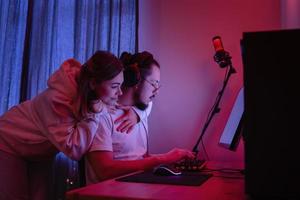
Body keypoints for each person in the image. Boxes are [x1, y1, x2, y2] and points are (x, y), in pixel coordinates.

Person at [0, 50, 138, 200]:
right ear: (93, 83)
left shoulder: (91, 95)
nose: (119, 92)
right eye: (114, 86)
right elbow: (74, 150)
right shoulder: (57, 100)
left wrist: (136, 113)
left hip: (37, 151)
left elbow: (144, 105)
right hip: (9, 141)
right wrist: (94, 113)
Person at [85, 51, 195, 183]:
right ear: (136, 81)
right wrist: (163, 159)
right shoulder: (102, 115)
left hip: (138, 187)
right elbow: (104, 170)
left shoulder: (140, 112)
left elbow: (138, 159)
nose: (157, 91)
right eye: (154, 83)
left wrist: (173, 157)